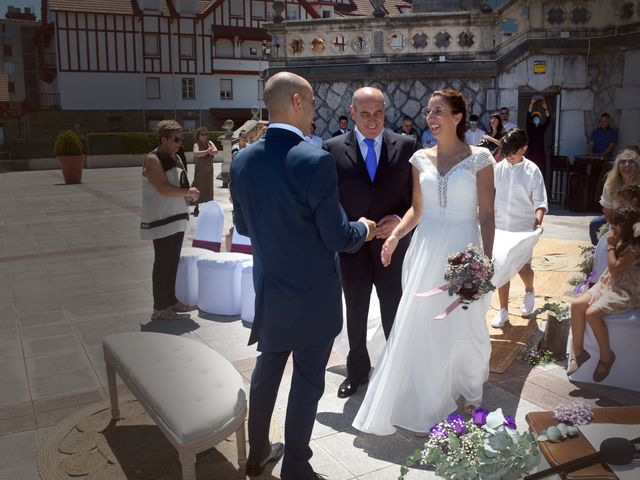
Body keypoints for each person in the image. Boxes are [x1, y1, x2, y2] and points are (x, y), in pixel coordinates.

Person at [231, 72, 376, 479]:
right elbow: (337, 236)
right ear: (296, 102)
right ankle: (295, 465)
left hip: (271, 290)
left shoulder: (243, 159)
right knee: (308, 381)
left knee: (265, 376)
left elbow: (242, 226)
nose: (316, 110)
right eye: (312, 102)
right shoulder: (314, 159)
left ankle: (257, 454)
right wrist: (363, 228)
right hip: (313, 297)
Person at [353, 88, 496, 435]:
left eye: (439, 111)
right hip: (426, 249)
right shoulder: (419, 159)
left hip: (464, 250)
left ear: (458, 116)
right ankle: (430, 392)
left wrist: (484, 262)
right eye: (428, 112)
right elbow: (417, 211)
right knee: (424, 322)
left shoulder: (481, 159)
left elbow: (488, 214)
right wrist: (395, 237)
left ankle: (470, 385)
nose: (431, 118)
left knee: (467, 324)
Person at [323, 87, 420, 399]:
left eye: (378, 112)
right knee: (355, 311)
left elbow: (417, 200)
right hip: (352, 248)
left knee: (395, 310)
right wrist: (349, 229)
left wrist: (398, 218)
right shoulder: (332, 148)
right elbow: (330, 202)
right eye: (364, 113)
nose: (372, 119)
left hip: (392, 246)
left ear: (385, 113)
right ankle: (357, 372)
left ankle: (397, 371)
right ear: (352, 113)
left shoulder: (406, 146)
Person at [568, 206, 640, 382]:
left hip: (625, 290)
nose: (612, 230)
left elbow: (615, 270)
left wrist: (611, 246)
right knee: (577, 305)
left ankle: (606, 357)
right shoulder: (623, 239)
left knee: (592, 314)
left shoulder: (634, 248)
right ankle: (579, 352)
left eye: (616, 226)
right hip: (607, 284)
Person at [140, 120, 199, 320]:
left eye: (181, 139)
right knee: (163, 262)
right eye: (176, 139)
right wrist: (186, 192)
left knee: (172, 261)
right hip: (162, 218)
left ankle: (171, 300)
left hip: (176, 217)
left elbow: (180, 183)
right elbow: (163, 188)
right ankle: (159, 307)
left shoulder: (175, 157)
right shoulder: (153, 159)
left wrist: (189, 194)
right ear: (163, 139)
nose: (179, 143)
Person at [491, 129, 548, 328]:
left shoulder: (533, 170)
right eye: (505, 151)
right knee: (501, 267)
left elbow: (540, 202)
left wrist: (538, 222)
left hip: (523, 229)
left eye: (512, 151)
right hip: (500, 228)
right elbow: (488, 193)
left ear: (524, 148)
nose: (508, 156)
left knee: (523, 267)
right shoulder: (499, 168)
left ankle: (529, 289)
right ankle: (503, 310)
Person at [588, 148, 640, 245]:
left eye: (631, 161)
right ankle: (595, 253)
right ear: (618, 165)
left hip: (637, 220)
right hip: (615, 220)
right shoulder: (610, 184)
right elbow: (608, 212)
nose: (627, 165)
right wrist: (616, 228)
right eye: (623, 161)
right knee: (595, 224)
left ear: (636, 165)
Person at [191, 127, 218, 216]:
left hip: (209, 170)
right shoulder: (196, 144)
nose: (205, 136)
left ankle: (209, 207)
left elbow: (215, 151)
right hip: (200, 170)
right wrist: (207, 151)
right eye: (202, 135)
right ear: (198, 136)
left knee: (208, 188)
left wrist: (209, 151)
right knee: (198, 186)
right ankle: (196, 207)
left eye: (206, 134)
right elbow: (196, 153)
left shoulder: (210, 143)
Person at [525, 96, 552, 180]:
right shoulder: (529, 127)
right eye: (535, 117)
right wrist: (531, 104)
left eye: (538, 118)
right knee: (530, 172)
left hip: (540, 152)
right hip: (531, 152)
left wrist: (545, 108)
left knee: (540, 172)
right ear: (533, 119)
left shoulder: (542, 128)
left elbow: (548, 120)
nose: (536, 118)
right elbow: (528, 116)